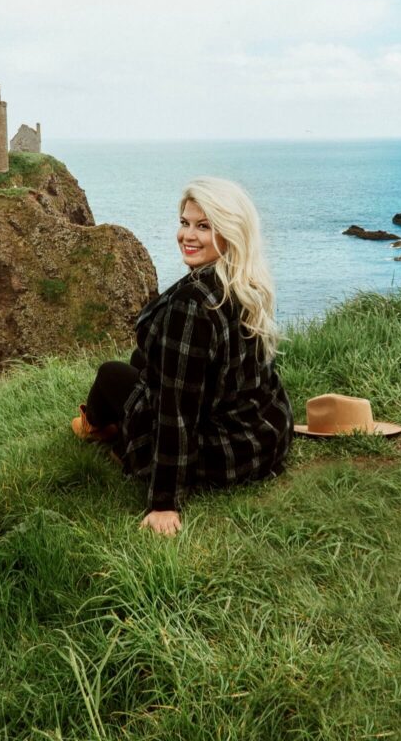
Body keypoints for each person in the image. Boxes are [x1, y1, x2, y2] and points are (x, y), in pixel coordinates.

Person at [71, 176, 294, 535]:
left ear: (231, 232)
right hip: (263, 439)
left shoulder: (192, 308)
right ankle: (107, 424)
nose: (188, 236)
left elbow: (177, 409)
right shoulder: (245, 282)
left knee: (112, 374)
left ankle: (95, 426)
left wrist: (164, 503)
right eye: (185, 223)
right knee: (141, 361)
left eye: (204, 227)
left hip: (219, 453)